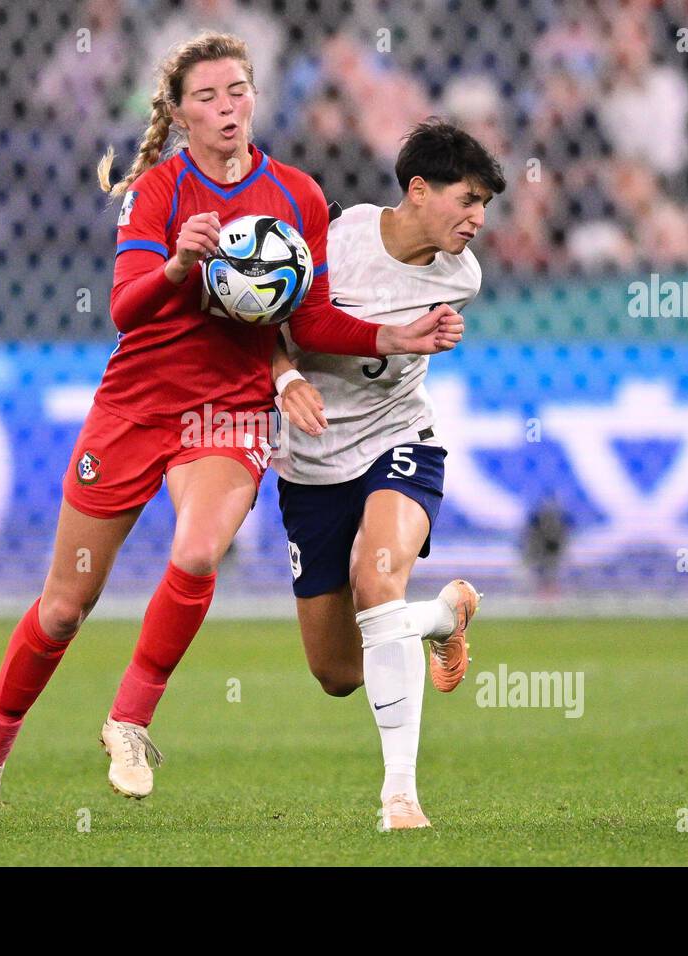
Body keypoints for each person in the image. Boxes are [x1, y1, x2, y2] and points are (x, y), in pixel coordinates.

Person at [0, 32, 463, 827]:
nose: (227, 108)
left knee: (196, 549)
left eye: (239, 91)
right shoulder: (155, 192)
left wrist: (396, 337)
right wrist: (177, 267)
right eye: (208, 97)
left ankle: (130, 721)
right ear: (180, 112)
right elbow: (124, 309)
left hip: (227, 413)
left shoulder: (296, 194)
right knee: (62, 609)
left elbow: (313, 316)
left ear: (256, 96)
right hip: (135, 408)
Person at [270, 119, 505, 830]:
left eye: (487, 204)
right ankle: (443, 615)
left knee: (378, 579)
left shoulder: (461, 275)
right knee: (337, 674)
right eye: (468, 199)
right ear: (417, 189)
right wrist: (284, 380)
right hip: (311, 463)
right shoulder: (331, 239)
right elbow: (261, 325)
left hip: (399, 442)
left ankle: (399, 795)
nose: (478, 218)